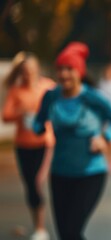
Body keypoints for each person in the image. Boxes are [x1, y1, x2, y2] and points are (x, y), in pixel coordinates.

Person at [33, 42, 111, 240]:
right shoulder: (51, 96)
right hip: (59, 173)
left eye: (69, 69)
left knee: (71, 231)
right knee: (65, 234)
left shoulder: (93, 97)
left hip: (90, 174)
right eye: (60, 69)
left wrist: (105, 137)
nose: (64, 74)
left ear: (80, 72)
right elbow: (38, 123)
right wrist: (35, 126)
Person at [1, 52, 55, 240]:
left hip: (45, 143)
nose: (28, 74)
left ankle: (41, 228)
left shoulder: (48, 87)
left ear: (37, 69)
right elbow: (6, 116)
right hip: (23, 146)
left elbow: (60, 105)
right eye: (24, 71)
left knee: (37, 182)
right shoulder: (17, 91)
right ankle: (39, 226)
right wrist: (20, 112)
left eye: (31, 70)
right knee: (30, 185)